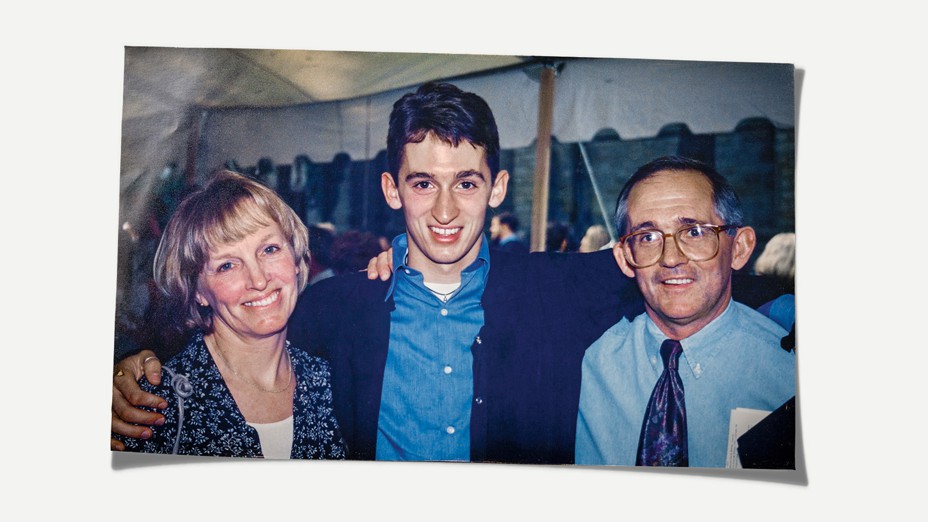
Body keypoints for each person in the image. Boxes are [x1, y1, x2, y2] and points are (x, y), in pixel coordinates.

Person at [112, 84, 787, 465]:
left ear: (496, 188)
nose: (442, 210)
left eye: (465, 182)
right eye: (421, 183)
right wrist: (139, 366)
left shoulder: (564, 288)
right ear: (390, 189)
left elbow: (696, 277)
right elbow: (234, 336)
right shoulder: (338, 308)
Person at [574, 156, 795, 468]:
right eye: (647, 237)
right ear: (625, 258)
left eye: (694, 232)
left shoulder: (787, 377)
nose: (671, 258)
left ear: (740, 248)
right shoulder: (587, 362)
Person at [111, 169, 346, 459]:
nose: (259, 280)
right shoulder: (153, 403)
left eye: (270, 249)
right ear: (196, 289)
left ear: (296, 258)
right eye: (227, 266)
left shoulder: (335, 383)